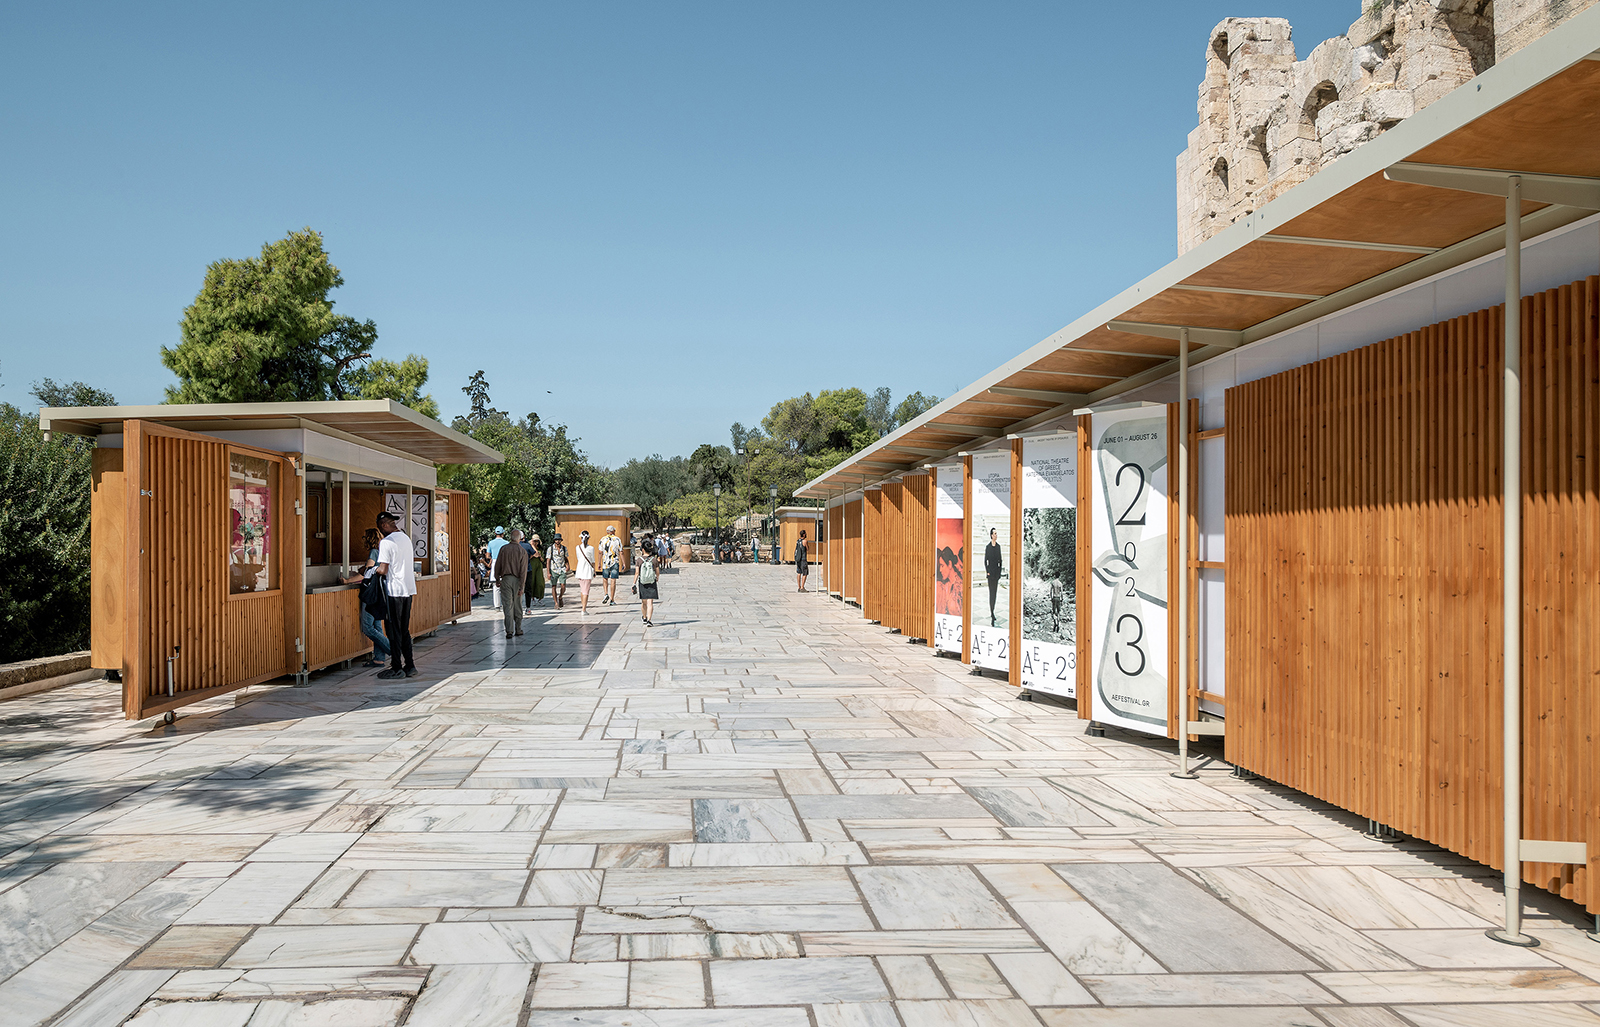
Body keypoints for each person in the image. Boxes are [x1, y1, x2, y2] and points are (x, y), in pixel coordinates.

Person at [373, 510, 417, 679]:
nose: (380, 530)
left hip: (394, 590)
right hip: (408, 589)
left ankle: (396, 667)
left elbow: (383, 569)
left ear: (384, 525)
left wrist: (370, 570)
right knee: (404, 629)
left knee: (393, 630)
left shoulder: (387, 542)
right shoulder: (405, 538)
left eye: (380, 527)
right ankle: (410, 665)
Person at [341, 527, 389, 668]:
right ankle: (379, 658)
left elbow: (366, 574)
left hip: (371, 594)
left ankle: (394, 650)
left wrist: (347, 581)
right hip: (381, 592)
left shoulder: (374, 552)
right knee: (377, 626)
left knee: (368, 627)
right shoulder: (383, 552)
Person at [494, 528, 530, 638]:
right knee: (517, 604)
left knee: (507, 605)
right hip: (517, 580)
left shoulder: (503, 549)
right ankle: (518, 629)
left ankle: (509, 630)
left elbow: (497, 565)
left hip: (505, 579)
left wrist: (497, 579)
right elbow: (523, 571)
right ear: (519, 538)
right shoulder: (522, 551)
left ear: (510, 537)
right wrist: (521, 587)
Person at [633, 537, 660, 625]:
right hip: (651, 582)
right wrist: (657, 578)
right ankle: (649, 620)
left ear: (643, 549)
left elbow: (637, 573)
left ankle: (644, 617)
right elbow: (657, 572)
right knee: (650, 602)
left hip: (642, 582)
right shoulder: (654, 560)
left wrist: (634, 583)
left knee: (644, 602)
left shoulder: (639, 560)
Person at [598, 525, 624, 606]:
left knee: (605, 578)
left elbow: (600, 552)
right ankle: (612, 599)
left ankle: (606, 593)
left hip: (605, 562)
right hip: (615, 561)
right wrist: (624, 563)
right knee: (613, 580)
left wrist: (599, 562)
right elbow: (621, 552)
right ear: (613, 531)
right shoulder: (617, 539)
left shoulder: (602, 539)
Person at [574, 529, 597, 614]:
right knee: (586, 591)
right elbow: (592, 561)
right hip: (587, 571)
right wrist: (594, 571)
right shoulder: (591, 548)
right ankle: (584, 609)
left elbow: (578, 558)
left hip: (580, 570)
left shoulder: (577, 547)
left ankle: (583, 607)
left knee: (582, 590)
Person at [486, 526, 509, 609]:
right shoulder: (506, 542)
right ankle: (506, 603)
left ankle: (497, 605)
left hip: (495, 562)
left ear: (495, 533)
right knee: (505, 585)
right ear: (502, 533)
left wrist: (491, 558)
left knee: (496, 586)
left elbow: (488, 555)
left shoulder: (491, 543)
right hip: (504, 562)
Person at [985, 527, 1003, 627]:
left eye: (996, 533)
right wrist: (988, 572)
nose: (996, 535)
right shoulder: (988, 547)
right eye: (995, 533)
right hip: (990, 574)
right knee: (991, 593)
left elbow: (1000, 561)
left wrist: (999, 573)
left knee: (994, 594)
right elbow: (985, 561)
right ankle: (991, 612)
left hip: (996, 574)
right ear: (991, 535)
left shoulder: (998, 547)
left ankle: (993, 611)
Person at [546, 533, 570, 609]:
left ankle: (560, 596)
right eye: (556, 540)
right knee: (554, 586)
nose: (557, 541)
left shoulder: (564, 548)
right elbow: (548, 560)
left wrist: (568, 565)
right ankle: (556, 603)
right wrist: (548, 572)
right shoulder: (551, 549)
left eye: (559, 540)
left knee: (563, 585)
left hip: (562, 568)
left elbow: (565, 558)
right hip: (554, 569)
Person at [526, 533, 546, 606]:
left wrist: (539, 556)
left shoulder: (540, 548)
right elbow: (530, 556)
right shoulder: (529, 548)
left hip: (539, 566)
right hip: (532, 566)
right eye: (534, 541)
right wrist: (533, 551)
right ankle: (532, 598)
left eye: (537, 541)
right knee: (532, 582)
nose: (536, 543)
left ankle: (540, 598)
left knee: (540, 582)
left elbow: (542, 559)